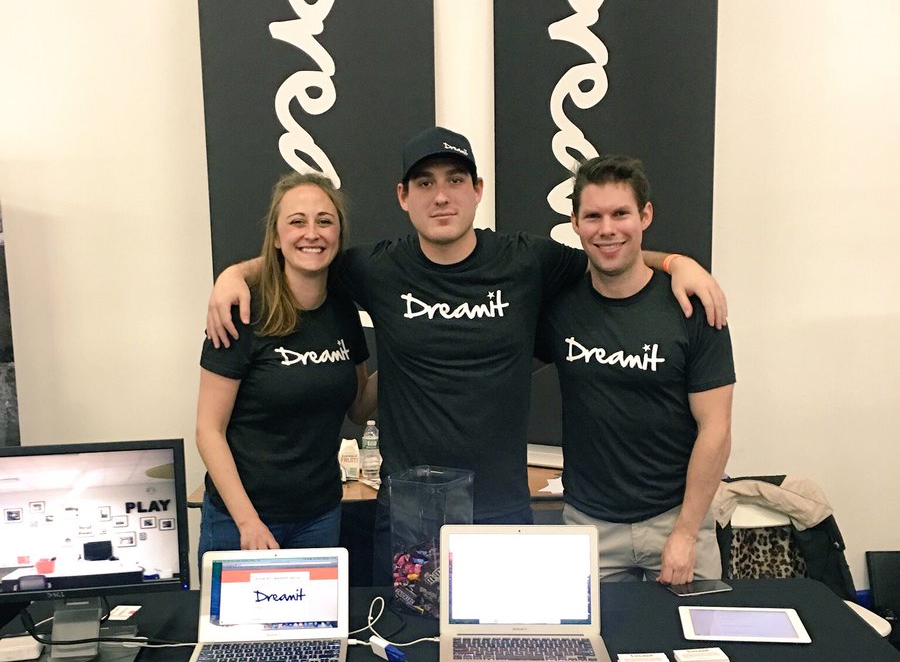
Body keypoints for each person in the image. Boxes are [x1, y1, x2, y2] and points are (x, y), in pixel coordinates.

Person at [206, 128, 727, 581]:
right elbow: (304, 254)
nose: (441, 196)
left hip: (501, 510)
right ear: (403, 196)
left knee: (498, 647)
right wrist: (235, 274)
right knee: (410, 644)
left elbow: (611, 252)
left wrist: (678, 263)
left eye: (455, 180)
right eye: (424, 183)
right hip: (411, 511)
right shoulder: (375, 269)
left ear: (478, 190)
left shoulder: (526, 260)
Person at [535, 154, 735, 584]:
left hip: (677, 520)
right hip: (587, 525)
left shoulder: (692, 306)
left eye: (620, 214)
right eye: (593, 216)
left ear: (645, 216)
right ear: (575, 223)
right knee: (591, 631)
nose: (607, 229)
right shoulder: (558, 306)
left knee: (691, 631)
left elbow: (716, 429)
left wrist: (685, 533)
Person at [196, 172, 373, 564]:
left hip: (320, 516)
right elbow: (208, 430)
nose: (312, 233)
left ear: (338, 234)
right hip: (241, 521)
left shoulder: (344, 312)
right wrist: (248, 522)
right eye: (297, 221)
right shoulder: (242, 312)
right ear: (276, 237)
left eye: (324, 221)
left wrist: (403, 354)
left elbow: (360, 408)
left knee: (316, 610)